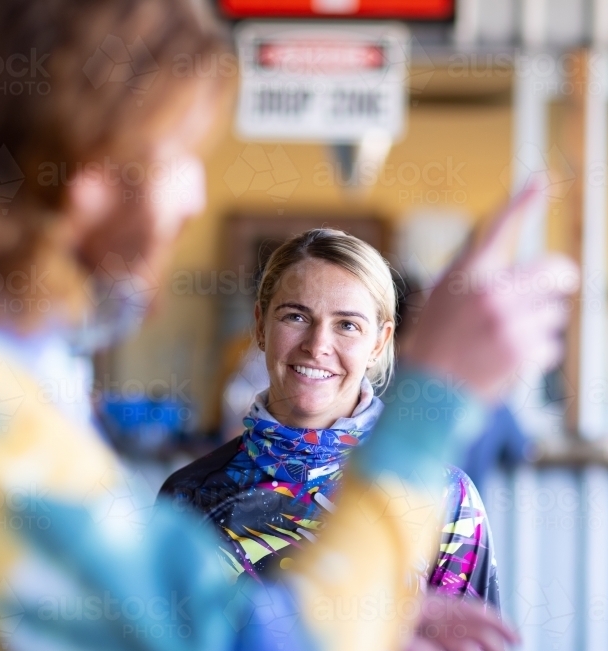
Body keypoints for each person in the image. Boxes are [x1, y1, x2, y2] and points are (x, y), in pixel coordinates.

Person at [0, 1, 577, 651]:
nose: (194, 194)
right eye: (177, 158)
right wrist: (433, 395)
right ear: (89, 175)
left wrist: (368, 622)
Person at [162, 230, 500, 614]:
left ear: (379, 341)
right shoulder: (189, 495)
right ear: (260, 325)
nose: (317, 344)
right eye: (296, 315)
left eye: (347, 325)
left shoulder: (444, 497)